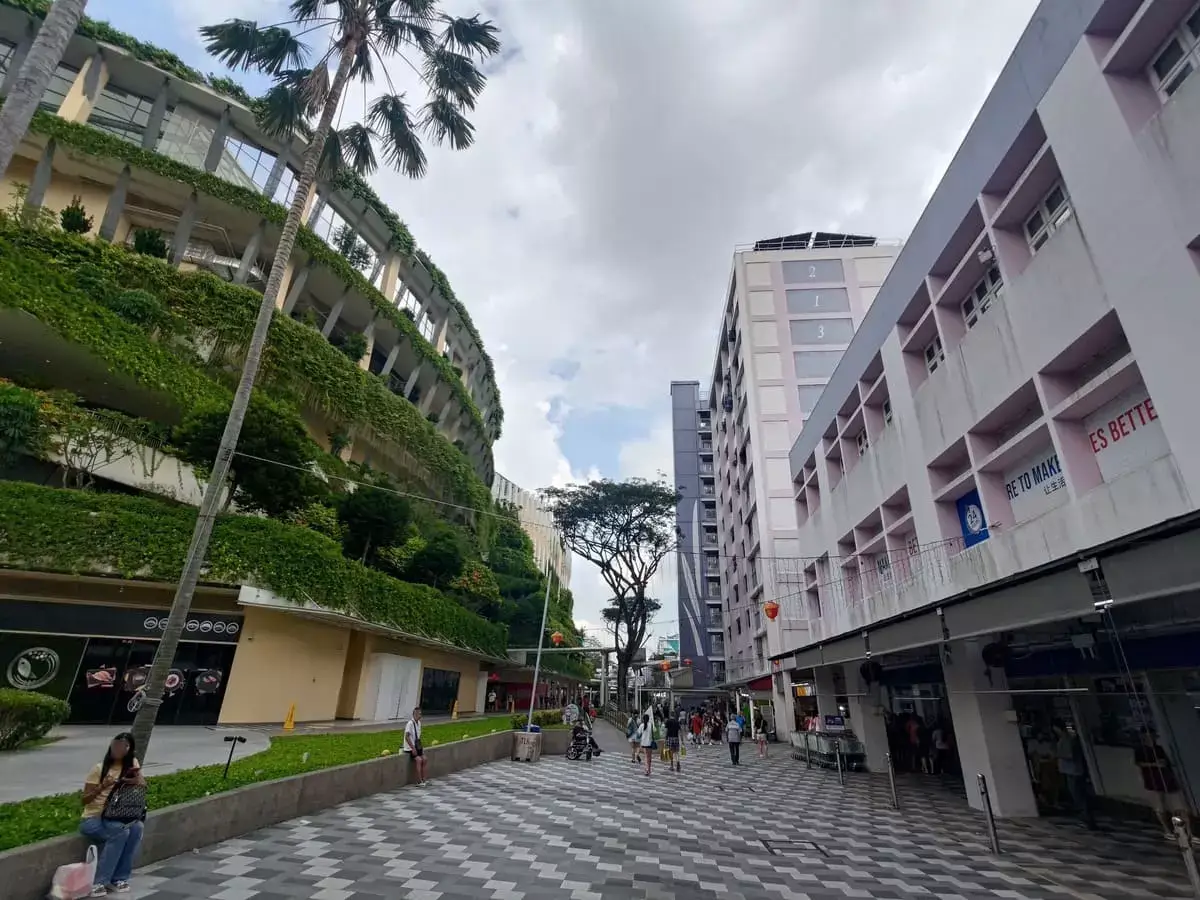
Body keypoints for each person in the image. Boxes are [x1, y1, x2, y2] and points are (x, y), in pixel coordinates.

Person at [80, 732, 146, 897]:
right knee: (120, 831)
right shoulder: (99, 768)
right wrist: (103, 786)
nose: (118, 749)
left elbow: (144, 784)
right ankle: (99, 882)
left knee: (137, 827)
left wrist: (136, 781)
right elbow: (85, 800)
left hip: (119, 814)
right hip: (94, 818)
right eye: (116, 745)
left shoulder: (133, 764)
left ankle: (119, 879)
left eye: (124, 746)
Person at [1135, 729, 1185, 838]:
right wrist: (1154, 764)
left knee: (1171, 804)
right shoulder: (1140, 750)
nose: (1151, 739)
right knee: (1159, 805)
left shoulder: (1158, 749)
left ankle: (1177, 828)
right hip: (1152, 779)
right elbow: (1139, 763)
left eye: (1152, 736)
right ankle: (1167, 829)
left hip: (1164, 777)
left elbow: (1165, 761)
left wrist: (1164, 764)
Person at [1052, 721, 1095, 829]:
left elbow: (1069, 754)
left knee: (1078, 795)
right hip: (1071, 771)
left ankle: (1086, 819)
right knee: (1077, 794)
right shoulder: (1067, 739)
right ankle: (1084, 817)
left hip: (1073, 771)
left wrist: (1056, 754)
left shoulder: (1068, 739)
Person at [404, 708, 428, 786]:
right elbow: (407, 737)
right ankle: (419, 780)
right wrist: (413, 748)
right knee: (419, 760)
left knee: (424, 759)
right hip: (410, 747)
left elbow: (418, 737)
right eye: (418, 714)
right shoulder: (410, 723)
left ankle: (424, 779)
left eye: (421, 714)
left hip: (417, 746)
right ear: (414, 714)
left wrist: (420, 748)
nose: (420, 716)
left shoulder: (419, 723)